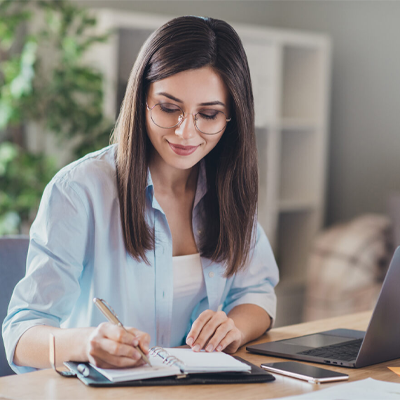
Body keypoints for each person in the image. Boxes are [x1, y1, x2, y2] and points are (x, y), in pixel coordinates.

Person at [2, 15, 279, 373]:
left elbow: (257, 293)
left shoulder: (228, 187)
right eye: (168, 108)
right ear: (141, 100)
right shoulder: (79, 191)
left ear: (231, 118)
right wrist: (87, 344)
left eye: (208, 114)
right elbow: (20, 333)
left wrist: (234, 326)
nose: (186, 133)